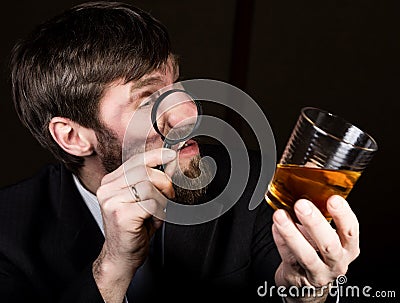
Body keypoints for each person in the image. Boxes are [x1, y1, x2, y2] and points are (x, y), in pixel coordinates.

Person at [0, 2, 360, 302]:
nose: (190, 114)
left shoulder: (251, 178)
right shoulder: (7, 232)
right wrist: (112, 266)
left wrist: (307, 292)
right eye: (147, 99)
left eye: (177, 84)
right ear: (74, 137)